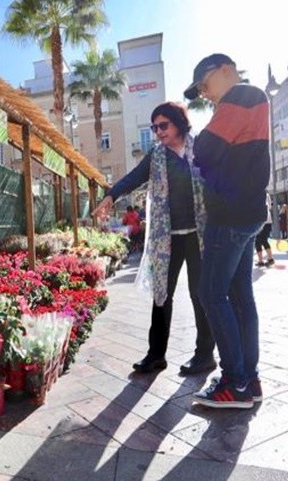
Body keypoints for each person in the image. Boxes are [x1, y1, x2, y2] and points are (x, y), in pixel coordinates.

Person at [92, 102, 215, 375]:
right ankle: (155, 354)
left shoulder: (201, 148)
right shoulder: (157, 156)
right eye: (154, 127)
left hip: (200, 236)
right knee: (162, 295)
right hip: (166, 239)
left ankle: (205, 354)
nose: (158, 132)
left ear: (179, 123)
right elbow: (134, 177)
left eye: (163, 126)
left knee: (201, 295)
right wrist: (110, 197)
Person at [185, 54, 270, 409]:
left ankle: (235, 382)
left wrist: (204, 145)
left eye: (205, 85)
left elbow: (203, 150)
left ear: (224, 70)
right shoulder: (252, 99)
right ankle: (247, 379)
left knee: (211, 293)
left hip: (231, 215)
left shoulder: (241, 96)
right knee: (239, 296)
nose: (204, 94)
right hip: (246, 212)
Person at [255, 193, 275, 267]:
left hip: (260, 221)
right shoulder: (267, 194)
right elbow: (269, 207)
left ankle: (263, 260)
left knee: (258, 241)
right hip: (268, 220)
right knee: (263, 240)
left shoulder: (257, 193)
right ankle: (269, 259)